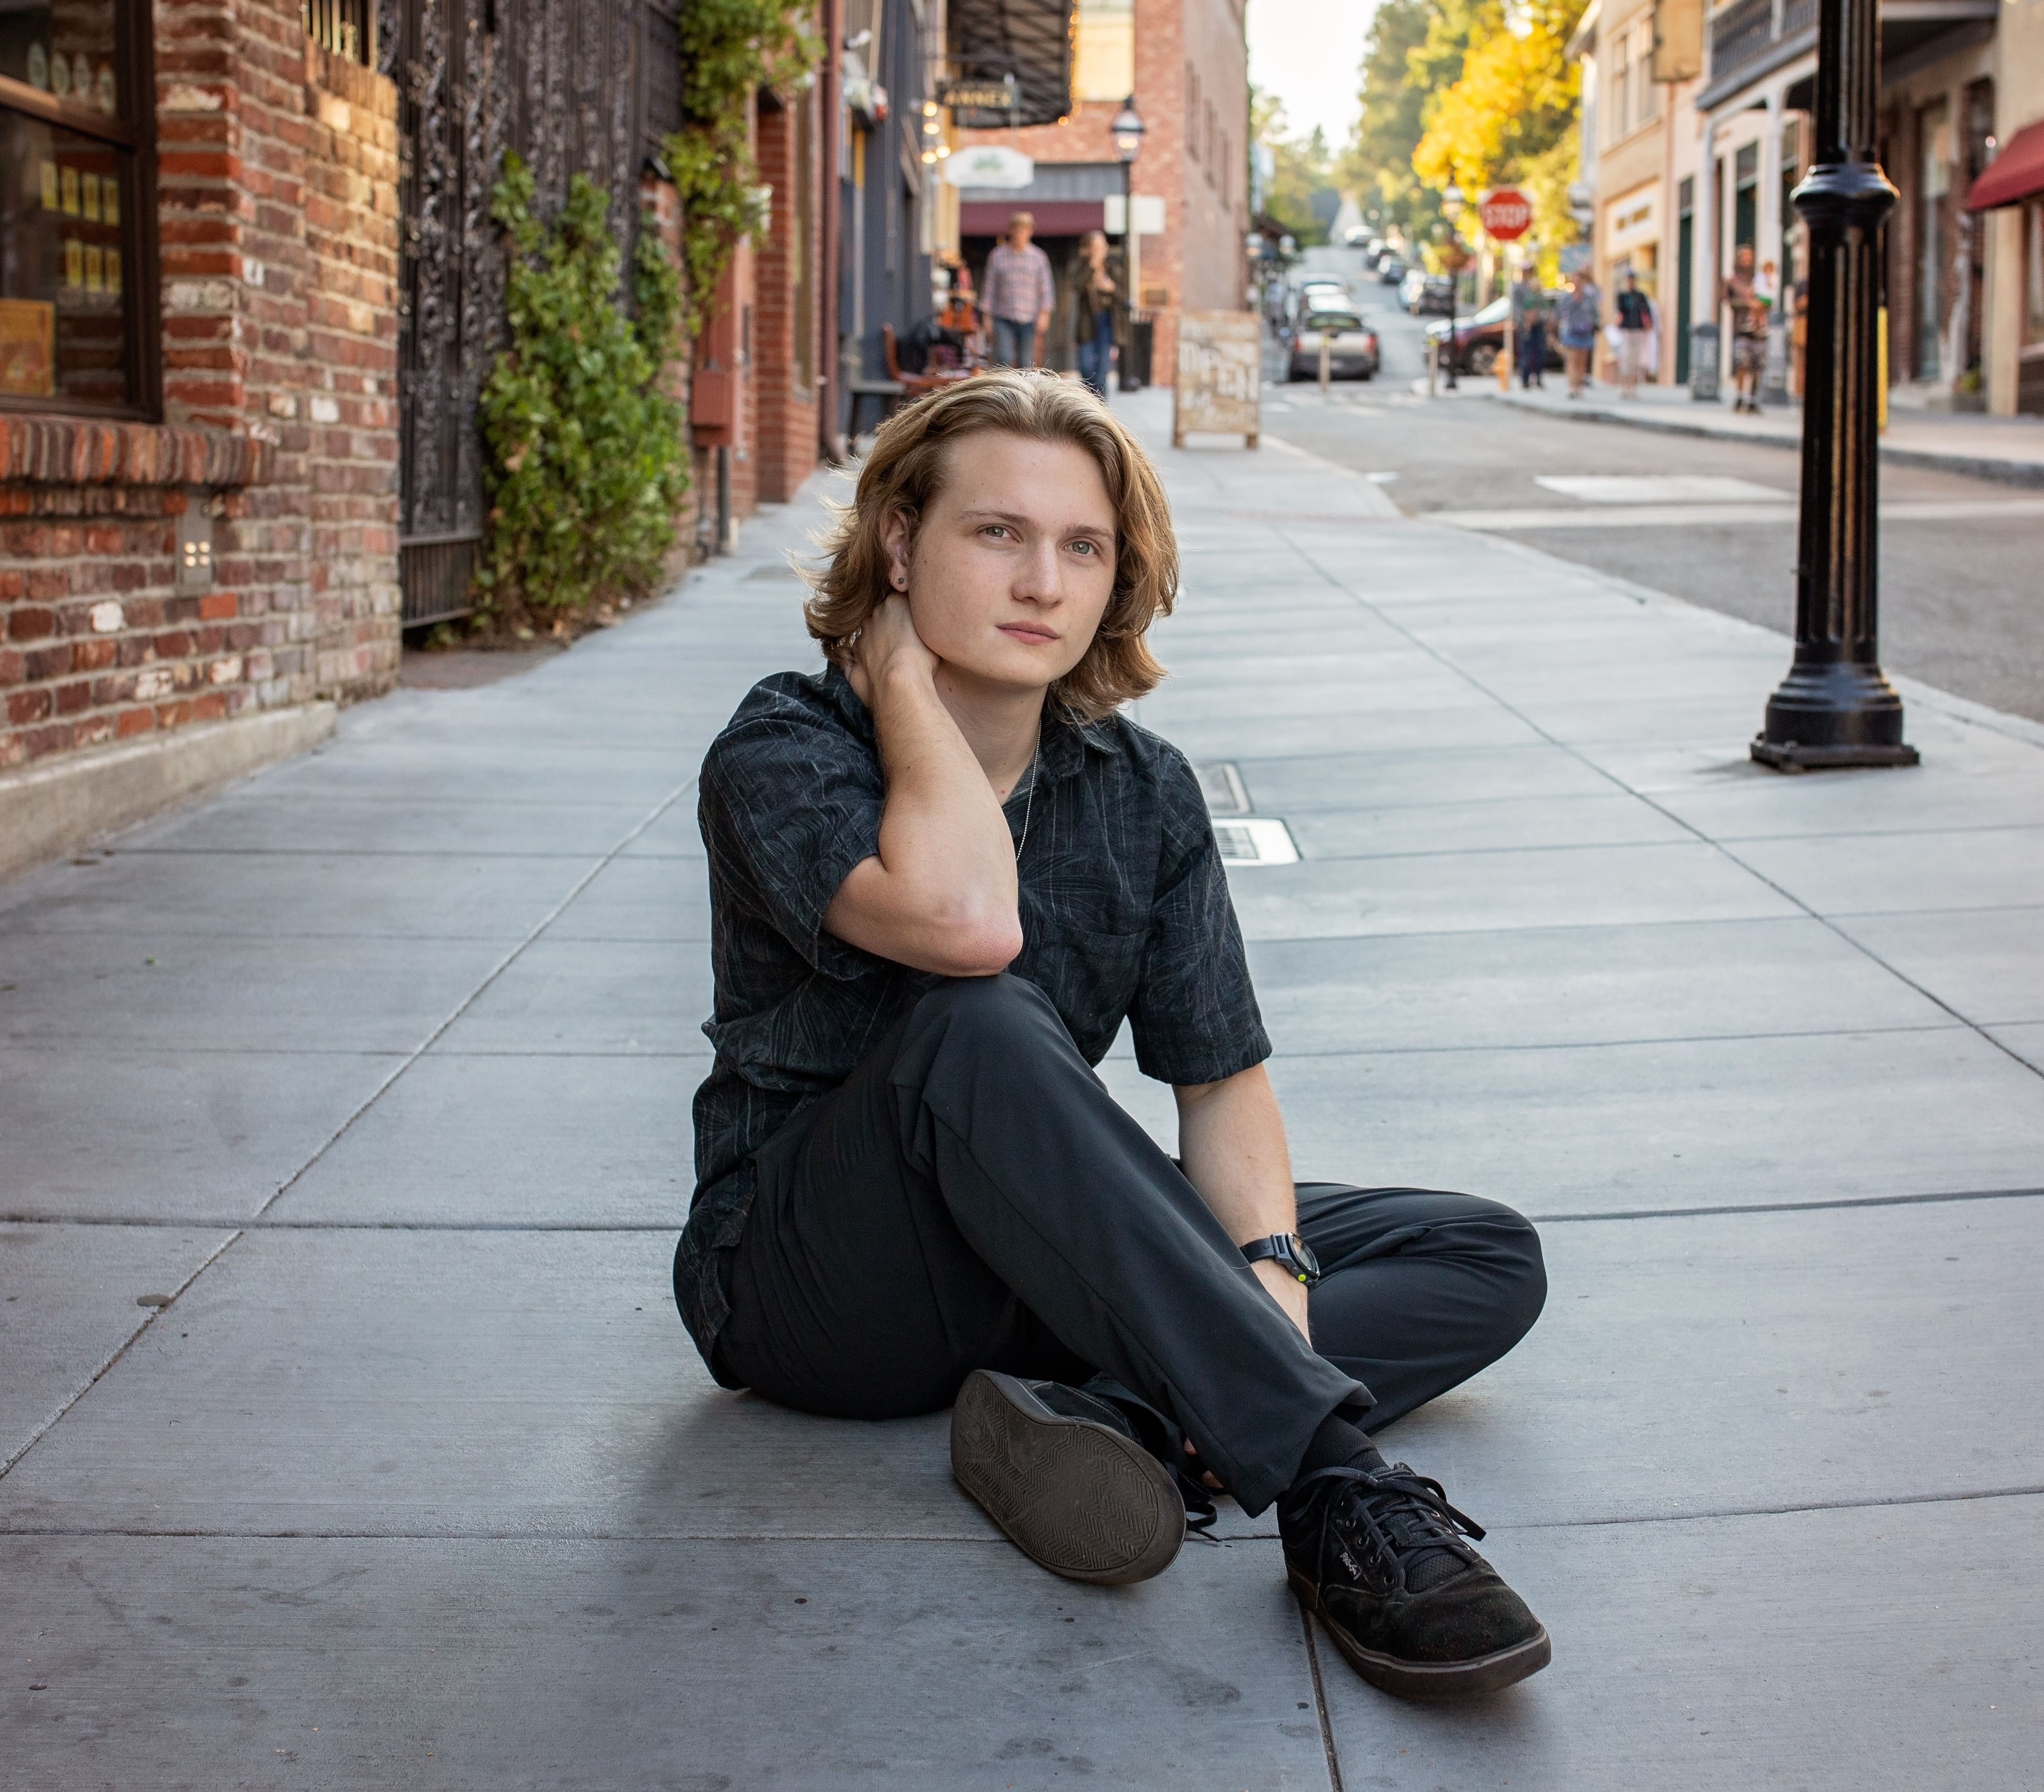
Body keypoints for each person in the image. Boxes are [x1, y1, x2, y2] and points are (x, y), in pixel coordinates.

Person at [681, 370, 1553, 1701]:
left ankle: (1122, 1419)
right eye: (996, 534)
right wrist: (905, 684)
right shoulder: (783, 751)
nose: (1042, 580)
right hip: (811, 1281)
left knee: (1475, 1250)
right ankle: (1330, 1485)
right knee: (974, 1020)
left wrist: (1267, 1265)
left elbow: (1221, 1078)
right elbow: (968, 923)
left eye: (1081, 546)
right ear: (901, 542)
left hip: (1011, 1256)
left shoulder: (1140, 788)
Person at [980, 214, 1056, 370]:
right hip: (1003, 317)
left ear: (1030, 232)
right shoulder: (998, 256)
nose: (1020, 234)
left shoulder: (1038, 257)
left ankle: (1023, 393)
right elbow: (989, 287)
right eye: (1017, 230)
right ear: (1011, 231)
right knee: (1003, 358)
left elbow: (1046, 288)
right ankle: (1002, 392)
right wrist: (986, 316)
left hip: (1029, 318)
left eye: (1024, 230)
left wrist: (1045, 314)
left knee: (1026, 362)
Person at [1070, 231, 1123, 399]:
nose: (1101, 250)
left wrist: (1112, 289)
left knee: (1102, 368)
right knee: (1086, 366)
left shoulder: (1113, 268)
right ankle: (1090, 400)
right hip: (1087, 322)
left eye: (1103, 246)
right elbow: (1077, 286)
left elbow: (1124, 297)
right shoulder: (1081, 267)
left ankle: (1100, 406)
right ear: (1089, 249)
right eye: (1096, 247)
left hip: (1107, 321)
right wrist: (1092, 267)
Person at [1725, 244, 1768, 414]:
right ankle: (1740, 397)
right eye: (1744, 257)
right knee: (1742, 363)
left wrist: (1761, 304)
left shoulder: (1760, 280)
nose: (1747, 260)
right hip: (1742, 328)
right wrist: (1747, 304)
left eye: (1750, 257)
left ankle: (1753, 399)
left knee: (1758, 366)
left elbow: (1769, 301)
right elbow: (1729, 301)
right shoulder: (1732, 281)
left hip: (1759, 329)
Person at [1556, 269, 1599, 400]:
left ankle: (1579, 386)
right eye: (1575, 279)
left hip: (1585, 332)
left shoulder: (1589, 297)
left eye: (1580, 279)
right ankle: (1572, 387)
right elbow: (1560, 313)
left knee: (1582, 360)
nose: (1577, 282)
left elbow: (1595, 314)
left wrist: (1594, 325)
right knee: (1572, 359)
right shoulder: (1567, 298)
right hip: (1571, 332)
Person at [1613, 272, 1656, 400]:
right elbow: (1620, 312)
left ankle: (1632, 388)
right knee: (1625, 359)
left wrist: (1648, 325)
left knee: (1635, 359)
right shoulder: (1622, 295)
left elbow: (1646, 311)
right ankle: (1624, 387)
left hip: (1638, 330)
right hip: (1626, 330)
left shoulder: (1640, 296)